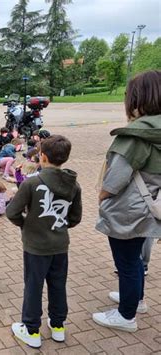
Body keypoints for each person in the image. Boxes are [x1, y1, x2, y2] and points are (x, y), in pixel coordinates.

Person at [92, 70, 161, 333]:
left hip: (129, 209)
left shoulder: (136, 135)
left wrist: (102, 195)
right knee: (137, 260)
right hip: (150, 206)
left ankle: (126, 315)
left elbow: (116, 178)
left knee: (127, 262)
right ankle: (136, 299)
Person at [6, 135, 82, 348]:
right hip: (60, 244)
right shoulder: (74, 185)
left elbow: (12, 211)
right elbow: (75, 218)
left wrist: (25, 224)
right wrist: (58, 228)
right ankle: (58, 326)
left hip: (36, 246)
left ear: (43, 156)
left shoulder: (32, 183)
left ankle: (31, 329)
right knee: (58, 284)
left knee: (33, 285)